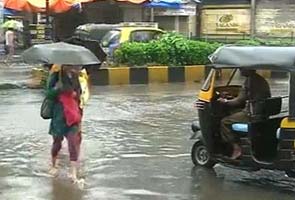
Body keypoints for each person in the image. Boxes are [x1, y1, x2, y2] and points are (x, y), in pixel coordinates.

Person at [46, 65, 87, 184]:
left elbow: (80, 95)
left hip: (73, 114)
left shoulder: (75, 76)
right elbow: (48, 94)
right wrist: (57, 89)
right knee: (57, 142)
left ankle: (73, 171)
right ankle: (54, 165)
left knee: (73, 142)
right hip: (59, 116)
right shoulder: (55, 76)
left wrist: (75, 95)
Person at [218, 69, 271, 159]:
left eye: (242, 68)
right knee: (233, 113)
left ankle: (237, 148)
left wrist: (225, 101)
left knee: (225, 121)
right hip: (261, 112)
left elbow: (238, 101)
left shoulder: (250, 81)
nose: (240, 70)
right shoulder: (259, 79)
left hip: (252, 114)